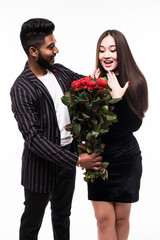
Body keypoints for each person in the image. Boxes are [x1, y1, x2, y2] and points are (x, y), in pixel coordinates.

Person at [10, 18, 102, 240]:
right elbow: (34, 139)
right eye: (50, 47)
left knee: (62, 216)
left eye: (54, 44)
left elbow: (85, 83)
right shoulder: (21, 88)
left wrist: (103, 77)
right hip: (40, 168)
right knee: (32, 223)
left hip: (66, 162)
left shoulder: (59, 72)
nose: (56, 50)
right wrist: (78, 161)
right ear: (33, 51)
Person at [88, 30, 148, 240]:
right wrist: (90, 95)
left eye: (112, 50)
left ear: (121, 52)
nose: (107, 55)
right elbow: (87, 126)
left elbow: (134, 126)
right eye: (102, 50)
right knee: (103, 219)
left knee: (122, 219)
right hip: (99, 160)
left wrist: (118, 99)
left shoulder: (136, 81)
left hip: (126, 160)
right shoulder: (92, 83)